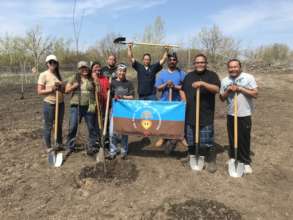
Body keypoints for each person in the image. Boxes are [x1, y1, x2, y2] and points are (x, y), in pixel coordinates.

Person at [181, 54, 220, 173]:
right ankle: (191, 156)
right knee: (191, 138)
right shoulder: (189, 76)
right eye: (197, 62)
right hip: (190, 112)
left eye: (202, 62)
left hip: (205, 113)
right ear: (194, 64)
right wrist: (184, 100)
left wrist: (203, 84)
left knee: (206, 139)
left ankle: (211, 160)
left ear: (206, 63)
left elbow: (217, 89)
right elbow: (182, 89)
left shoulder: (211, 75)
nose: (200, 64)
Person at [220, 59, 258, 174]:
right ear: (228, 68)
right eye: (230, 67)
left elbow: (255, 94)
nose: (233, 69)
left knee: (244, 138)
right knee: (232, 137)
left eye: (235, 67)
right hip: (231, 113)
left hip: (244, 114)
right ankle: (233, 157)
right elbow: (222, 98)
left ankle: (246, 162)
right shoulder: (225, 80)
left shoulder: (248, 77)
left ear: (240, 67)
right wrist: (228, 90)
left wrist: (240, 88)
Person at [155, 52, 187, 150]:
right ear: (167, 61)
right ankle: (163, 137)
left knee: (178, 121)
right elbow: (158, 88)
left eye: (174, 60)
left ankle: (180, 137)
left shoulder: (182, 73)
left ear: (176, 61)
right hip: (164, 102)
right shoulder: (162, 74)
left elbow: (185, 87)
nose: (172, 61)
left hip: (177, 102)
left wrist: (175, 86)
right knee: (165, 120)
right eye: (170, 60)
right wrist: (165, 84)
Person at [65, 61, 98, 157]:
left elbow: (98, 91)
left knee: (91, 127)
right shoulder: (74, 78)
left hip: (89, 105)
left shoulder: (92, 78)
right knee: (73, 126)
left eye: (85, 68)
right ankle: (70, 146)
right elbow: (66, 90)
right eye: (82, 68)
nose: (84, 70)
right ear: (79, 69)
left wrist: (97, 83)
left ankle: (91, 145)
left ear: (88, 68)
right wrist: (74, 86)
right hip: (76, 105)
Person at [37, 55, 65, 153]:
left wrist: (62, 87)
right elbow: (39, 91)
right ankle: (49, 146)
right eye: (50, 62)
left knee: (59, 125)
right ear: (47, 64)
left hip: (60, 104)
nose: (52, 64)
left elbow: (63, 89)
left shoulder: (58, 75)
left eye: (54, 62)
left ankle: (59, 143)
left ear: (57, 64)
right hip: (49, 104)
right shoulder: (43, 74)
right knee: (49, 125)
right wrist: (52, 88)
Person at [108, 63, 135, 160]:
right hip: (115, 110)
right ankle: (112, 151)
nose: (121, 73)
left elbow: (132, 97)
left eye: (123, 71)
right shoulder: (113, 82)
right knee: (112, 132)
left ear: (125, 72)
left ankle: (124, 151)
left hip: (125, 111)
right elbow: (109, 96)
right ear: (117, 72)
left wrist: (122, 97)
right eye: (120, 70)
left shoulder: (129, 83)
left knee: (124, 132)